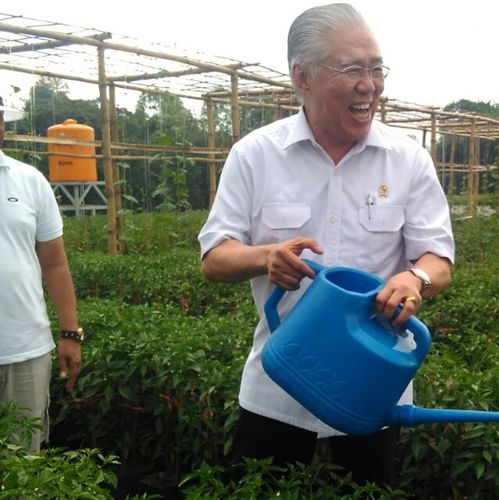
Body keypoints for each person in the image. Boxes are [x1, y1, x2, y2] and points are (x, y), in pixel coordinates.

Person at [198, 3, 454, 486]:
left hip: (371, 390)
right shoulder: (255, 155)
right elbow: (215, 257)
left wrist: (413, 277)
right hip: (278, 391)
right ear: (303, 76)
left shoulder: (408, 160)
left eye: (377, 69)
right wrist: (264, 257)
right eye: (352, 69)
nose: (370, 84)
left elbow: (437, 257)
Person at [0, 96, 83, 452]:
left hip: (25, 349)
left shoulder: (29, 180)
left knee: (22, 461)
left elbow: (55, 264)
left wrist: (70, 333)